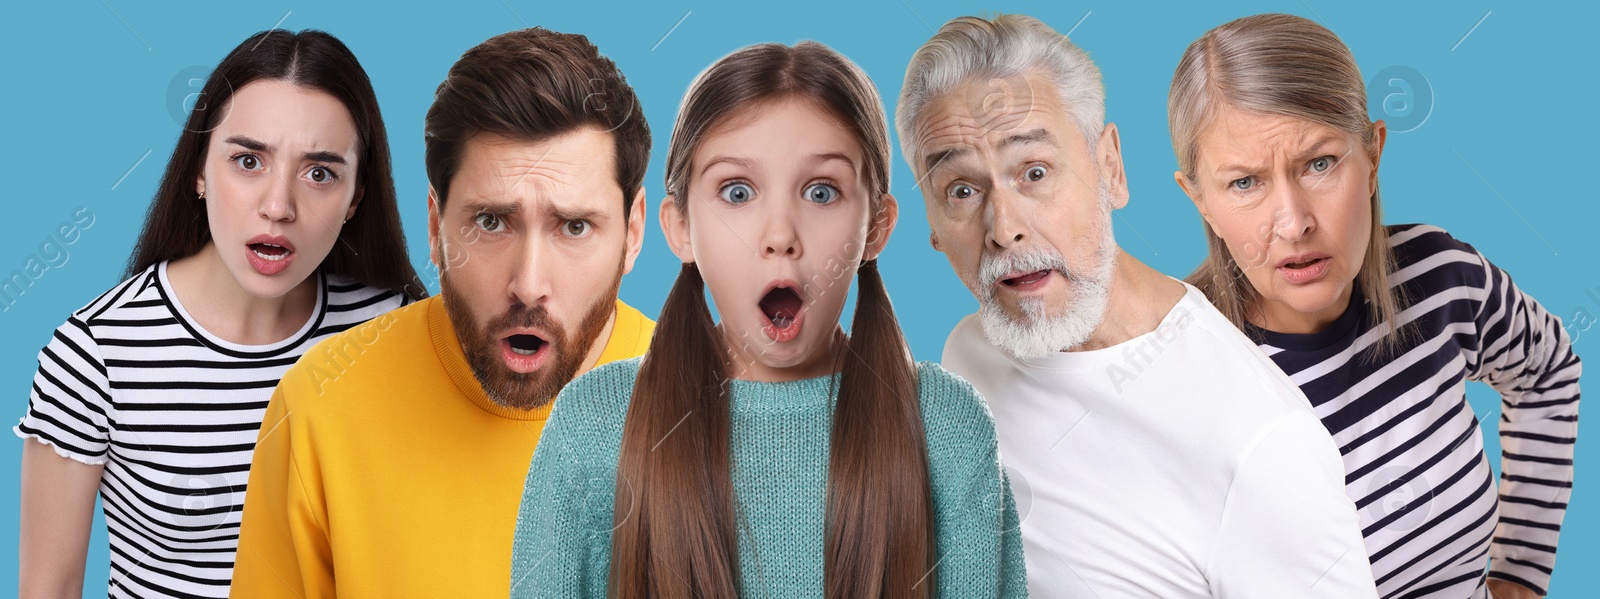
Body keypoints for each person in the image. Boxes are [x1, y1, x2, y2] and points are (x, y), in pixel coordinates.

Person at [509, 41, 1026, 598]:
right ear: (680, 226)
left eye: (821, 191)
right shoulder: (595, 428)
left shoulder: (947, 429)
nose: (780, 235)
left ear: (875, 226)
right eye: (737, 192)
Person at [896, 14, 1379, 598]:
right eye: (962, 190)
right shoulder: (967, 356)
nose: (1004, 229)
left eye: (1035, 172)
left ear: (1111, 170)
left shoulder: (1261, 443)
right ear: (932, 226)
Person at [228, 27, 654, 596]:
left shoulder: (719, 415)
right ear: (435, 226)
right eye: (491, 222)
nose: (528, 286)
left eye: (574, 227)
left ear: (633, 232)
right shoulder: (321, 406)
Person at [1169, 14, 1581, 599]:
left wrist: (1519, 572)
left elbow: (1548, 372)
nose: (1293, 222)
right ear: (1199, 199)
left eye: (1319, 163)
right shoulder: (1180, 377)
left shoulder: (1440, 280)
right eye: (1245, 183)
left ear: (1373, 156)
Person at [15, 29, 423, 598]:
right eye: (248, 160)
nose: (278, 206)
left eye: (320, 173)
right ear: (200, 172)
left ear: (356, 198)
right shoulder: (96, 355)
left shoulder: (389, 329)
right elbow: (48, 588)